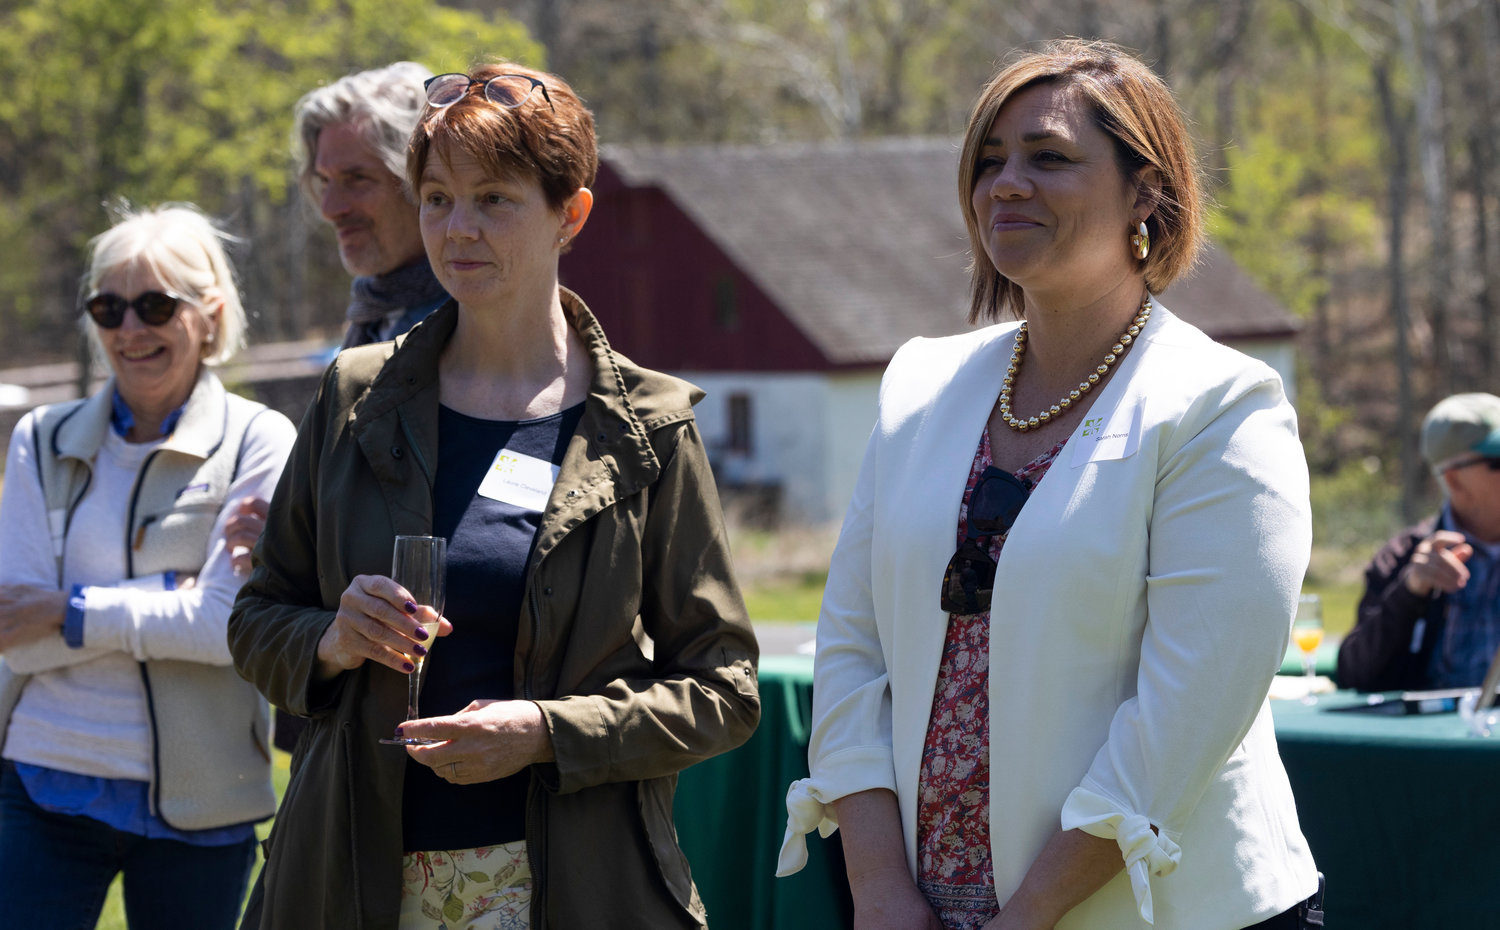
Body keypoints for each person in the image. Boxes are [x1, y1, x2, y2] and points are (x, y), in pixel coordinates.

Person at [777, 40, 1321, 930]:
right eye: (989, 161)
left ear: (1145, 192)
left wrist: (1028, 915)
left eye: (1049, 158)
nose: (1006, 184)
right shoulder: (919, 385)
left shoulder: (1222, 406)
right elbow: (849, 651)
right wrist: (876, 886)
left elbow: (1185, 716)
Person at [229, 62, 761, 930]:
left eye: (495, 199)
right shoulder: (354, 396)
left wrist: (547, 732)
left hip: (575, 887)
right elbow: (256, 619)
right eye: (436, 198)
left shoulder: (649, 427)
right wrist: (330, 638)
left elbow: (725, 690)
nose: (457, 229)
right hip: (346, 878)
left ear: (571, 214)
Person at [0, 204, 297, 929]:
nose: (129, 330)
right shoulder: (41, 438)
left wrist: (68, 608)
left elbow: (226, 626)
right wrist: (168, 596)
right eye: (108, 307)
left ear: (210, 313)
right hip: (40, 782)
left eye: (155, 306)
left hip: (208, 798)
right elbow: (14, 627)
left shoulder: (261, 438)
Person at [1338, 393, 1500, 692]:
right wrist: (1411, 589)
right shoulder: (1404, 556)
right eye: (1497, 461)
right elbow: (1355, 673)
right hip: (1437, 738)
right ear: (1454, 480)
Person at [293, 60, 449, 350]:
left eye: (357, 179)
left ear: (425, 183)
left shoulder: (474, 335)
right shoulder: (373, 317)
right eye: (324, 181)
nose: (330, 209)